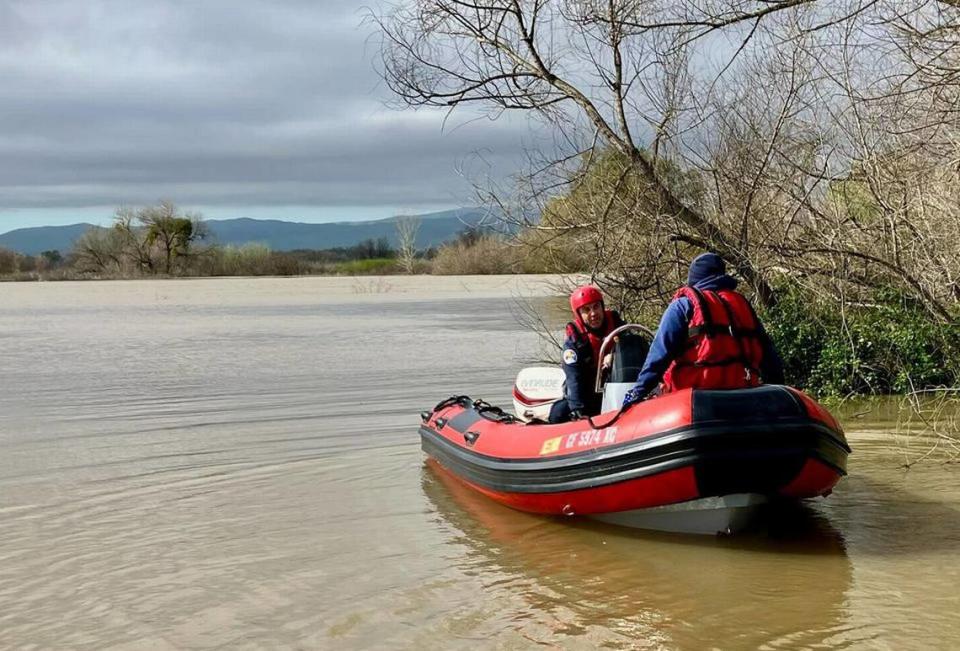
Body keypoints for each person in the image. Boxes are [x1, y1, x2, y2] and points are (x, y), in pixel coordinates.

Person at [622, 252, 784, 406]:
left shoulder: (683, 306)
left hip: (696, 403)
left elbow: (658, 356)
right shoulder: (743, 307)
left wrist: (638, 391)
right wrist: (778, 394)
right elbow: (770, 359)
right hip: (745, 398)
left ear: (694, 279)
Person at [549, 285, 624, 423]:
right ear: (579, 314)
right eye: (587, 310)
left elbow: (637, 351)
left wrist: (617, 355)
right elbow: (573, 377)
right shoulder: (574, 340)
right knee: (557, 414)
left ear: (602, 307)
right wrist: (578, 408)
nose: (593, 313)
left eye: (596, 307)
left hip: (619, 391)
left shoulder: (618, 325)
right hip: (588, 395)